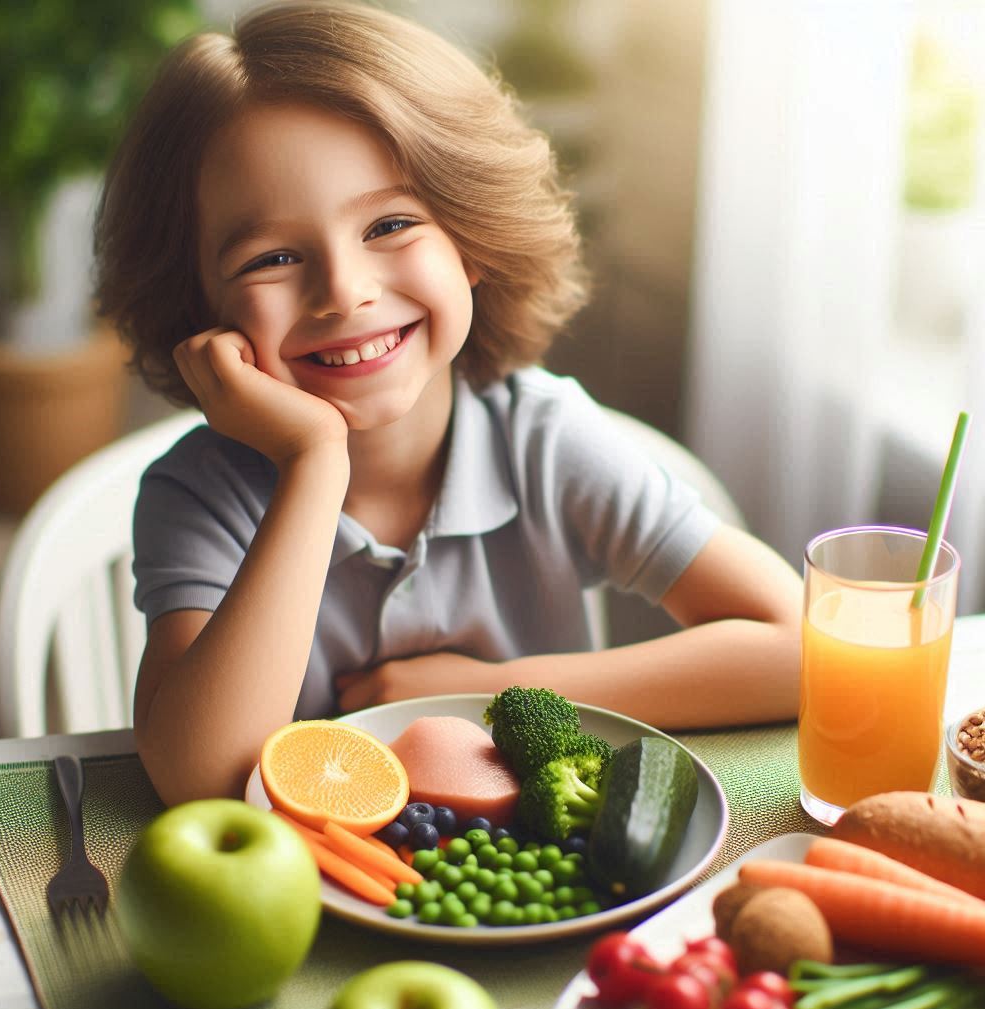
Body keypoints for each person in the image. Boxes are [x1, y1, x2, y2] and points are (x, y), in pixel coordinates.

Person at [95, 0, 802, 806]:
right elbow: (199, 777)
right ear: (200, 309)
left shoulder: (543, 441)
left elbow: (803, 650)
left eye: (390, 223)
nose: (345, 291)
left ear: (471, 240)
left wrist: (502, 690)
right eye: (275, 257)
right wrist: (311, 463)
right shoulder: (200, 495)